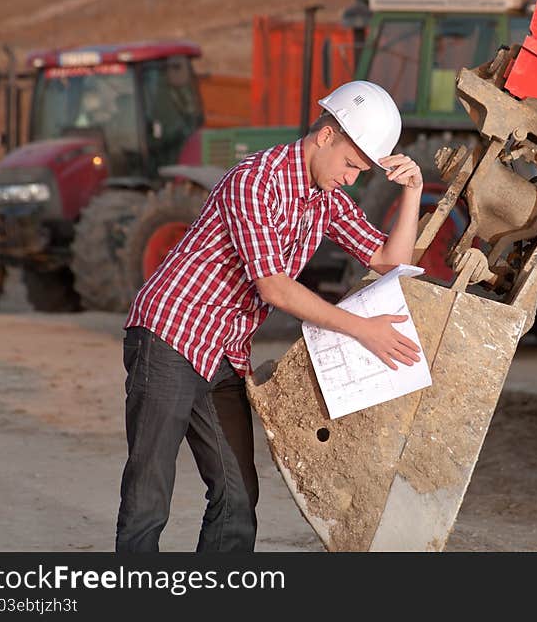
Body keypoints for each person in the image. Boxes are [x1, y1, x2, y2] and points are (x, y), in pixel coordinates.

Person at [115, 81, 424, 552]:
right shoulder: (256, 180)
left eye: (362, 171)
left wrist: (413, 192)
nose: (351, 178)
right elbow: (274, 286)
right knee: (150, 489)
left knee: (238, 495)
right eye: (350, 164)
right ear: (325, 135)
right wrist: (364, 331)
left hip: (222, 350)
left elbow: (389, 260)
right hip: (169, 334)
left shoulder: (326, 200)